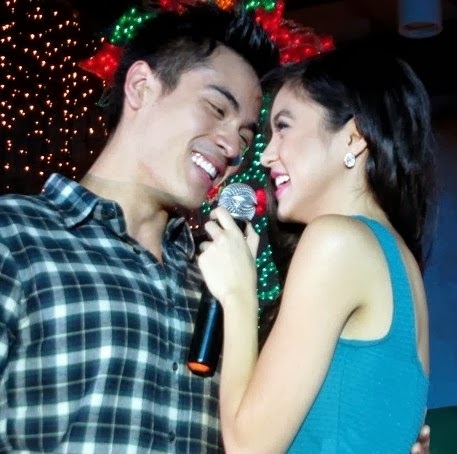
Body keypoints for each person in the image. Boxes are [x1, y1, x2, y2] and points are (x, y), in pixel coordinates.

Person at [0, 4, 278, 452]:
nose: (231, 147)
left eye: (245, 139)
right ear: (141, 87)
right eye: (215, 108)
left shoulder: (217, 283)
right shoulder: (14, 236)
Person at [197, 42, 436, 453]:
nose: (267, 155)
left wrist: (239, 294)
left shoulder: (337, 242)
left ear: (354, 138)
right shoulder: (400, 264)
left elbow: (249, 447)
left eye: (283, 128)